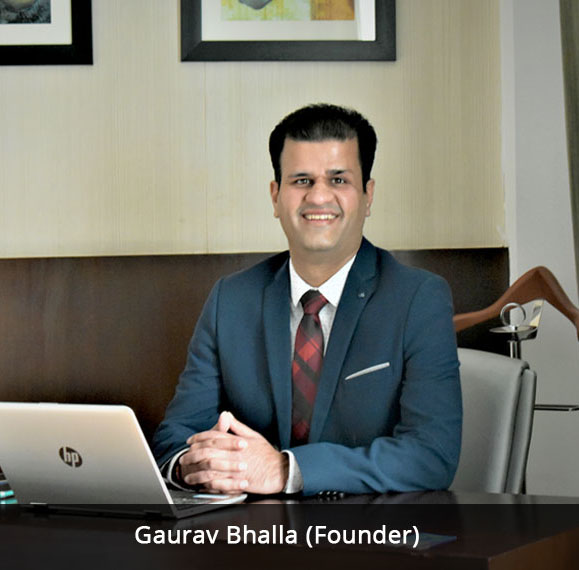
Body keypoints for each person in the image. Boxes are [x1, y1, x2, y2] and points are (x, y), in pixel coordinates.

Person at [152, 103, 462, 496]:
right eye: (301, 180)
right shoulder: (229, 300)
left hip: (373, 528)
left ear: (367, 196)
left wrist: (286, 470)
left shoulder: (419, 299)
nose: (318, 197)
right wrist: (194, 464)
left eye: (338, 180)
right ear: (275, 196)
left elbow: (431, 456)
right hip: (250, 530)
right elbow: (175, 438)